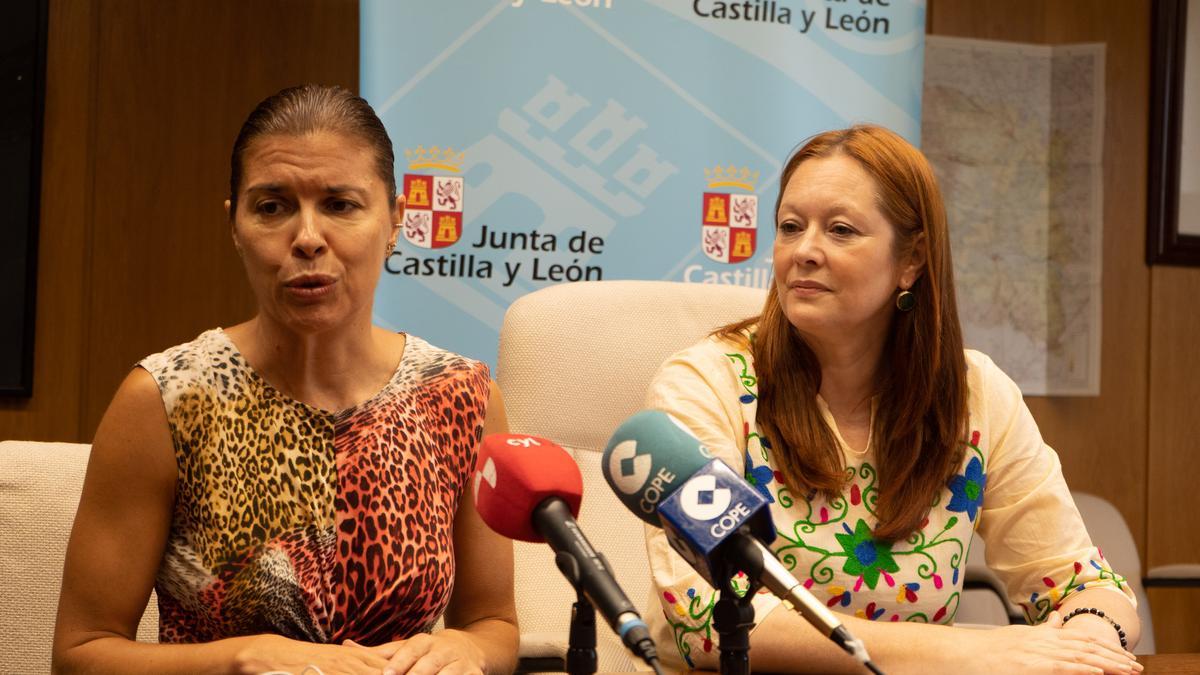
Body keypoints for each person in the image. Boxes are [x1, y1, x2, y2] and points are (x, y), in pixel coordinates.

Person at [52, 84, 518, 675]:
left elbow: (495, 626)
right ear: (235, 225)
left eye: (341, 204)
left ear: (396, 222)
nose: (306, 237)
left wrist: (466, 648)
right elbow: (80, 655)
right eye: (272, 207)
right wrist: (245, 657)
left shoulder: (459, 396)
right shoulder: (165, 400)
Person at [643, 125, 1142, 674]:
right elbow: (705, 617)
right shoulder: (705, 383)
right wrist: (978, 649)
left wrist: (1087, 640)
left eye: (839, 230)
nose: (805, 251)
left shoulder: (975, 394)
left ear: (912, 260)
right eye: (790, 227)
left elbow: (1085, 583)